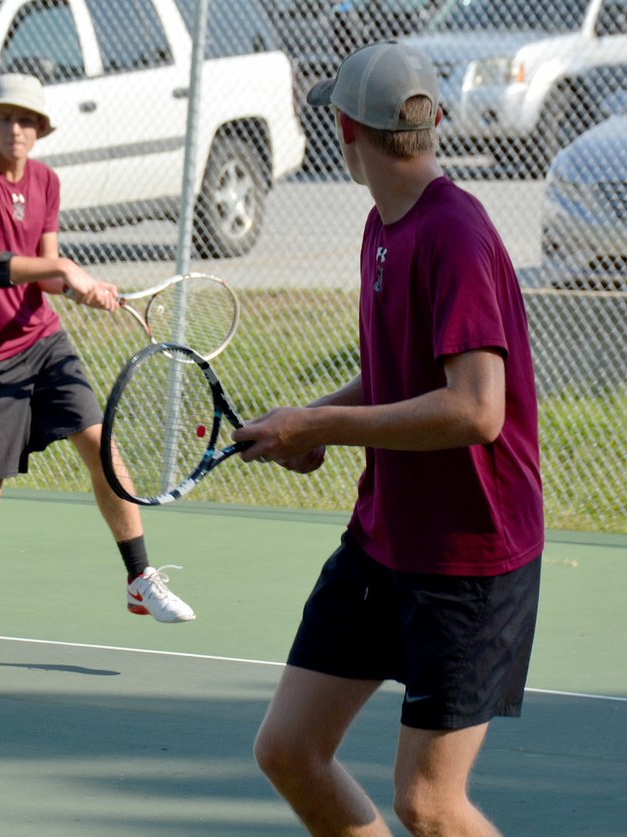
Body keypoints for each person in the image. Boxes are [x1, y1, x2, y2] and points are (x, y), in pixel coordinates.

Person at [233, 42, 544, 835]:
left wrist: (325, 425)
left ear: (344, 128)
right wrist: (308, 424)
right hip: (386, 541)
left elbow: (477, 409)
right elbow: (399, 378)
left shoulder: (456, 234)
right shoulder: (384, 224)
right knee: (290, 748)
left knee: (430, 805)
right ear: (432, 120)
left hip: (469, 560)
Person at [0, 74, 195, 671]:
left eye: (27, 120)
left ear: (40, 128)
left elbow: (47, 273)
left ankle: (140, 578)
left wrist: (81, 288)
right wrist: (63, 266)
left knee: (101, 446)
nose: (17, 129)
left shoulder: (47, 181)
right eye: (6, 118)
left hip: (42, 339)